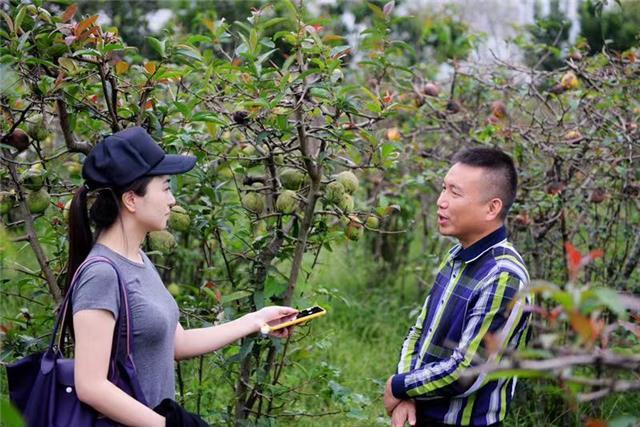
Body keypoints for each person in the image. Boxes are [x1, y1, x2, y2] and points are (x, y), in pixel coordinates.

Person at [67, 127, 298, 426]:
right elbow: (90, 385)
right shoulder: (101, 274)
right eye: (165, 188)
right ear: (131, 200)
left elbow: (178, 342)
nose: (173, 200)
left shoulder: (137, 259)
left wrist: (257, 320)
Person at [383, 147, 532, 427]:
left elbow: (466, 370)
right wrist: (407, 397)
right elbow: (419, 331)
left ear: (492, 208)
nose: (441, 201)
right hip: (419, 413)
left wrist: (398, 385)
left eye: (455, 193)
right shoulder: (456, 256)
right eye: (443, 189)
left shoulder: (504, 277)